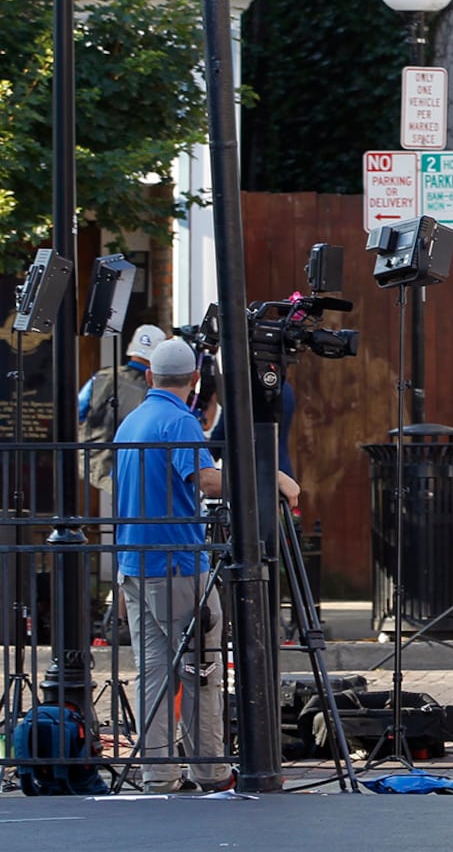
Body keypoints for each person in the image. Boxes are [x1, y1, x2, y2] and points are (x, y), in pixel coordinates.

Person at [114, 338, 299, 793]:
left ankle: (158, 772)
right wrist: (268, 477)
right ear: (195, 380)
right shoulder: (180, 421)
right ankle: (210, 768)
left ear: (151, 377)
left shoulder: (131, 422)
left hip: (135, 562)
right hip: (178, 561)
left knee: (152, 672)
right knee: (203, 669)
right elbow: (208, 482)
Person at [79, 323, 163, 494]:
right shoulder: (156, 390)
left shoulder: (102, 377)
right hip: (137, 467)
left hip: (93, 461)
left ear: (130, 347)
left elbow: (78, 411)